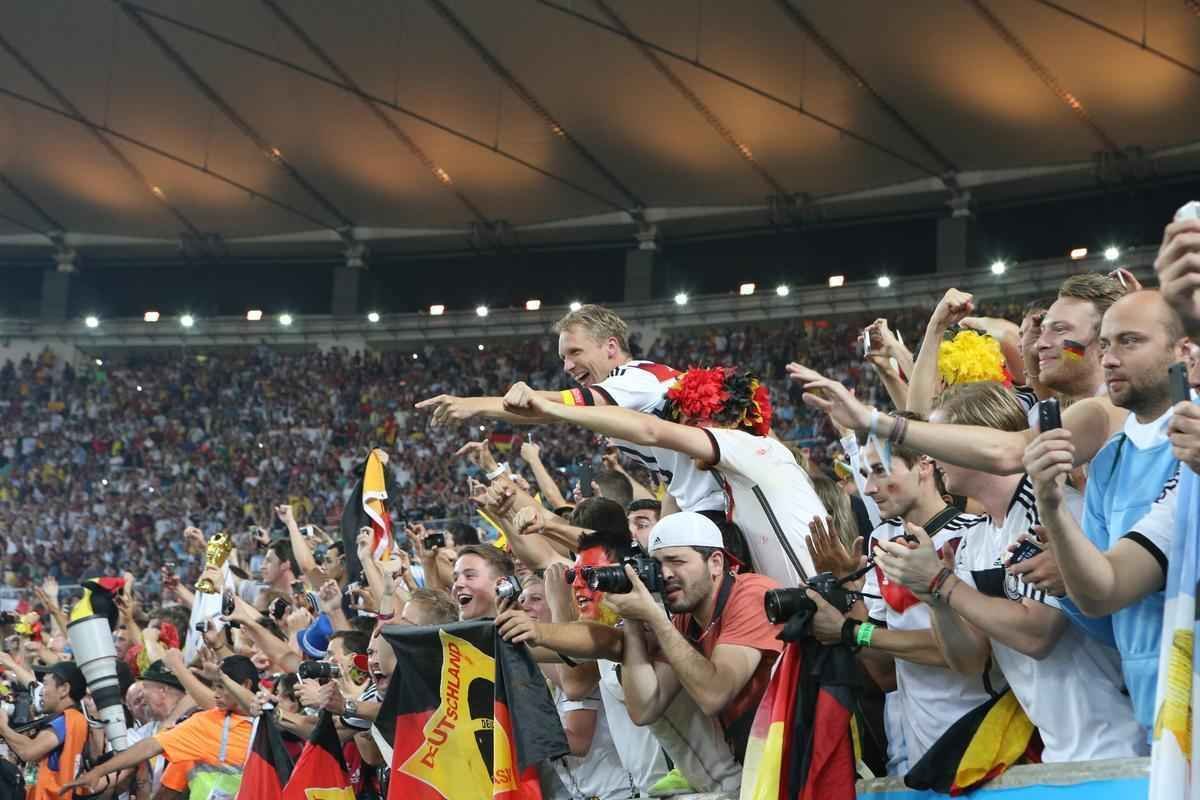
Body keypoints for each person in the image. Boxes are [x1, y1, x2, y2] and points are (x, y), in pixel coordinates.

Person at [873, 382, 1144, 761]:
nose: (932, 459)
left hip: (1120, 740)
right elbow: (970, 660)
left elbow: (1038, 635)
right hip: (1058, 750)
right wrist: (935, 600)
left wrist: (943, 582)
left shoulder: (1055, 509)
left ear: (977, 442)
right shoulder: (974, 538)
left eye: (941, 445)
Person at [1022, 290, 1191, 734]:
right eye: (1105, 345)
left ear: (1184, 351)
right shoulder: (1112, 459)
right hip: (1156, 712)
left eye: (1130, 342)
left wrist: (882, 424)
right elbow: (1105, 607)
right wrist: (1066, 573)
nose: (1109, 359)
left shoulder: (1189, 451)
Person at [504, 366, 826, 587]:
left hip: (818, 607)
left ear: (723, 419)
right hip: (798, 611)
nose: (685, 440)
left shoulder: (751, 446)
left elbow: (650, 430)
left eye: (692, 423)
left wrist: (553, 408)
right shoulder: (733, 484)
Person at [804, 434, 1003, 771]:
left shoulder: (976, 536)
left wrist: (849, 631)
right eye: (866, 474)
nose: (868, 488)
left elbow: (960, 653)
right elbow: (885, 673)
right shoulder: (882, 541)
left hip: (980, 743)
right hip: (912, 750)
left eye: (880, 471)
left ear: (924, 464)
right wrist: (849, 592)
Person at [417, 304, 726, 516]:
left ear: (611, 347)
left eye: (575, 352)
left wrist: (474, 405)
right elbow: (675, 474)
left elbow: (549, 407)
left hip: (727, 503)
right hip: (710, 501)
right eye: (563, 357)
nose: (567, 366)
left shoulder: (635, 378)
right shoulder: (632, 387)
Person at [605, 513, 783, 764]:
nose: (665, 574)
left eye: (676, 561)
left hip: (795, 751)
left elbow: (714, 695)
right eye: (657, 565)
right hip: (759, 757)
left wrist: (656, 618)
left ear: (716, 563)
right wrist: (633, 622)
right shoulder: (687, 619)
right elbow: (645, 707)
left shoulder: (753, 595)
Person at [60, 656, 259, 799]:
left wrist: (178, 666)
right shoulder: (206, 722)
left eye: (221, 687)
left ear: (246, 685)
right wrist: (99, 771)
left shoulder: (273, 724)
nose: (215, 694)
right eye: (214, 686)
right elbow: (149, 746)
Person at [0, 662, 88, 800]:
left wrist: (3, 727)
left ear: (64, 689)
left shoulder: (68, 720)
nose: (41, 691)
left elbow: (29, 751)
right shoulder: (73, 718)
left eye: (46, 684)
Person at [451, 544, 516, 621]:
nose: (457, 584)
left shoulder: (529, 630)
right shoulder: (441, 631)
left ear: (502, 584)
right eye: (455, 578)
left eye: (469, 575)